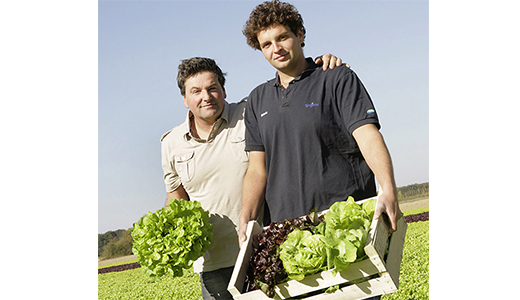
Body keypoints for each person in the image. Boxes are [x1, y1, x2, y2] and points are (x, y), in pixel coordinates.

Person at [161, 55, 347, 300]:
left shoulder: (251, 111)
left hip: (265, 249)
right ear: (185, 99)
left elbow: (288, 89)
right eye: (196, 91)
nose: (206, 97)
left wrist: (314, 66)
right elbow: (176, 197)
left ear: (223, 90)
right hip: (214, 263)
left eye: (212, 88)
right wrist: (167, 233)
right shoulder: (171, 143)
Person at [239, 0, 401, 266]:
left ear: (300, 35)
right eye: (266, 44)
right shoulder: (257, 99)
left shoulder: (336, 78)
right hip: (288, 236)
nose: (276, 48)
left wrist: (388, 188)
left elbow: (367, 135)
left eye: (282, 38)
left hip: (345, 224)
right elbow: (257, 169)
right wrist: (246, 217)